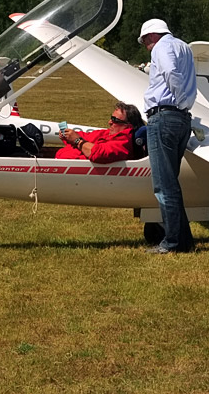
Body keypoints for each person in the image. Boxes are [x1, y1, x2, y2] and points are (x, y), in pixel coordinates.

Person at [138, 18, 197, 254]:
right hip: (182, 118)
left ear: (152, 36)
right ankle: (183, 240)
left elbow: (171, 72)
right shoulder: (184, 46)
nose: (145, 45)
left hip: (163, 117)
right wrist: (184, 104)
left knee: (164, 186)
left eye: (144, 41)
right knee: (171, 184)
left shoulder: (162, 47)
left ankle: (172, 243)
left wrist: (179, 99)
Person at [56, 102, 144, 162]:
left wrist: (77, 141)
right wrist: (68, 135)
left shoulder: (123, 144)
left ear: (128, 126)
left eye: (115, 120)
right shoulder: (107, 133)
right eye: (111, 118)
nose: (109, 122)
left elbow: (99, 153)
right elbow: (86, 136)